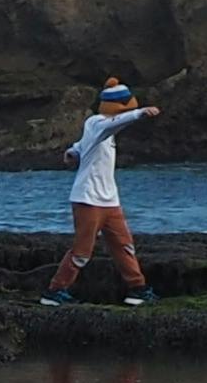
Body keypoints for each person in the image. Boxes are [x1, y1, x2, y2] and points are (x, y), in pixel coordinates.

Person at [41, 80, 156, 307]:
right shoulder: (97, 122)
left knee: (124, 245)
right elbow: (113, 124)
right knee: (82, 251)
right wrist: (140, 114)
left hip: (110, 201)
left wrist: (73, 152)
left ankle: (138, 289)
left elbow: (84, 144)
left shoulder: (102, 132)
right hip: (87, 199)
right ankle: (55, 291)